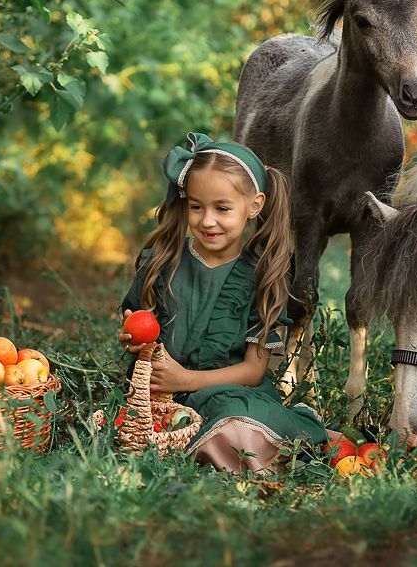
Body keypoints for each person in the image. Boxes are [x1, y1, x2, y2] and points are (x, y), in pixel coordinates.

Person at [118, 132, 328, 473]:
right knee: (133, 424)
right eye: (196, 207)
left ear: (254, 206)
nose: (207, 220)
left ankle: (238, 439)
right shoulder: (163, 261)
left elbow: (253, 370)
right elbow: (140, 327)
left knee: (237, 422)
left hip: (225, 392)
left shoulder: (261, 277)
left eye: (222, 208)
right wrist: (133, 340)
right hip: (159, 395)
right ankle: (188, 440)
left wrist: (186, 379)